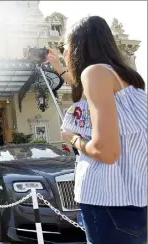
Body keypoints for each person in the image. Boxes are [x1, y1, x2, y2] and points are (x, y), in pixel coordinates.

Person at [47, 16, 147, 243]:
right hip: (134, 199)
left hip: (106, 202)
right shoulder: (128, 80)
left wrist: (71, 138)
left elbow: (106, 153)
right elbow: (86, 91)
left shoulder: (94, 73)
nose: (65, 52)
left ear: (77, 46)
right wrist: (59, 68)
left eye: (67, 46)